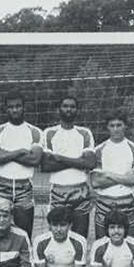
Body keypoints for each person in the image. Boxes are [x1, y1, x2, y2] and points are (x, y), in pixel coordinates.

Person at [0, 90, 43, 239]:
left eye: (18, 106)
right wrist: (20, 152)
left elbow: (35, 160)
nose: (15, 109)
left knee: (23, 234)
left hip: (24, 187)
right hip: (1, 186)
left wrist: (3, 154)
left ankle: (23, 262)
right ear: (6, 109)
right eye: (11, 107)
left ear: (24, 107)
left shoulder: (35, 132)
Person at [40, 97, 95, 238]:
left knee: (80, 238)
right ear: (59, 109)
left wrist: (59, 158)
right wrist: (78, 161)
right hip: (58, 190)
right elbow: (46, 166)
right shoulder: (49, 133)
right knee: (58, 237)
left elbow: (89, 163)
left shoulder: (85, 133)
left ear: (77, 110)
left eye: (72, 106)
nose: (68, 109)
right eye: (65, 106)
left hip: (81, 190)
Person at [91, 110, 134, 240]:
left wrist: (108, 175)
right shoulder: (98, 150)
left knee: (131, 245)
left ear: (125, 126)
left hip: (127, 201)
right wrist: (125, 178)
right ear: (107, 127)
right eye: (112, 125)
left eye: (119, 125)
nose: (115, 129)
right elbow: (95, 182)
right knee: (102, 245)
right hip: (104, 201)